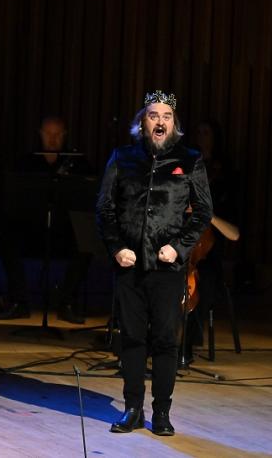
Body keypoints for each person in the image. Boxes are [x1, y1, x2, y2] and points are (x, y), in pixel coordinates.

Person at [95, 90, 212, 436]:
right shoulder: (122, 157)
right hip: (130, 265)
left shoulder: (190, 159)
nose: (159, 121)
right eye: (153, 115)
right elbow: (104, 209)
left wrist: (178, 248)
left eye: (166, 116)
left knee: (165, 340)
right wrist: (116, 248)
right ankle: (133, 408)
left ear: (174, 123)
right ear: (141, 122)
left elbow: (203, 212)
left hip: (168, 268)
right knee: (131, 338)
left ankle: (161, 411)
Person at [0, 116, 91, 322]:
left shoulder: (77, 162)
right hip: (34, 230)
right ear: (40, 135)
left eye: (58, 134)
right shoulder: (27, 162)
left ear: (64, 135)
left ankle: (67, 302)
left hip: (63, 231)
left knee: (85, 241)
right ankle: (19, 301)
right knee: (5, 237)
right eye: (48, 134)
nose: (53, 139)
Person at [184, 119, 241, 361]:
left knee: (203, 279)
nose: (201, 136)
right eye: (198, 131)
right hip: (183, 242)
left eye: (206, 132)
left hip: (209, 250)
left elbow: (234, 231)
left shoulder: (225, 175)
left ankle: (188, 337)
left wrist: (206, 213)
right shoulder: (187, 164)